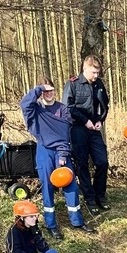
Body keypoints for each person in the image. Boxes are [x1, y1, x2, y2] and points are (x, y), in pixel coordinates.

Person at [20, 81, 95, 238]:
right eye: (45, 91)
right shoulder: (36, 109)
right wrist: (38, 88)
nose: (49, 93)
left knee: (71, 186)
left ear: (55, 90)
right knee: (47, 187)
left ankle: (77, 221)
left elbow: (64, 132)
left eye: (51, 90)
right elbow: (24, 103)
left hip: (62, 151)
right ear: (41, 92)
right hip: (44, 151)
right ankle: (51, 225)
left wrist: (62, 154)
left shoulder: (62, 109)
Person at [62, 55, 110, 215]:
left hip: (94, 129)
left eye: (98, 72)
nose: (96, 76)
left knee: (102, 161)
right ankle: (89, 198)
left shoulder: (99, 84)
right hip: (78, 129)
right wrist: (84, 121)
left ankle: (100, 195)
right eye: (93, 72)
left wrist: (100, 120)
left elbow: (105, 105)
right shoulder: (73, 84)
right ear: (85, 69)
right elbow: (67, 107)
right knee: (82, 164)